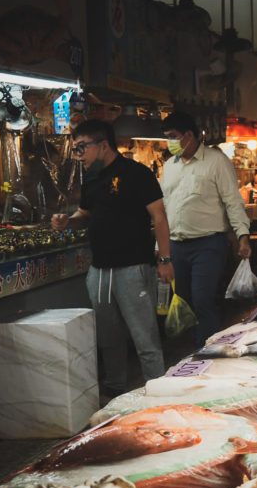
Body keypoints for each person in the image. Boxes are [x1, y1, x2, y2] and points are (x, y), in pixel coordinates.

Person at [51, 120, 173, 396]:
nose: (79, 155)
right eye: (76, 149)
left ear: (103, 145)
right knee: (109, 336)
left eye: (82, 148)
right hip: (99, 270)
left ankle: (159, 390)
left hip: (133, 267)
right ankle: (115, 388)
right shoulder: (91, 177)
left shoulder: (137, 173)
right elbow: (86, 214)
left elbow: (159, 217)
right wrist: (66, 221)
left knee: (144, 336)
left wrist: (165, 260)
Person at [161, 111, 251, 348]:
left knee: (203, 300)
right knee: (185, 302)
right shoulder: (169, 166)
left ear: (189, 135)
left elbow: (233, 201)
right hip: (176, 245)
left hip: (208, 245)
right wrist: (161, 249)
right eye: (166, 137)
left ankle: (207, 351)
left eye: (173, 136)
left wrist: (243, 235)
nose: (169, 142)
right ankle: (192, 352)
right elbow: (165, 207)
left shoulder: (216, 161)